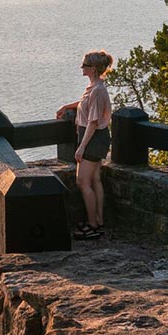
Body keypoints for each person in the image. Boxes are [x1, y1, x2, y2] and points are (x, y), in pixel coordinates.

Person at [56, 50, 113, 239]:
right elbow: (84, 104)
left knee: (82, 181)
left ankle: (92, 225)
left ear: (94, 68)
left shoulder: (97, 90)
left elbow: (93, 122)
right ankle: (99, 220)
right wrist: (67, 107)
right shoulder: (95, 87)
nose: (82, 68)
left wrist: (81, 147)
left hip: (92, 138)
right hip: (97, 138)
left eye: (85, 65)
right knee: (95, 180)